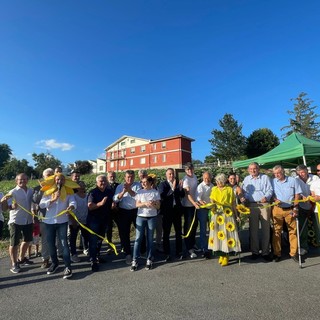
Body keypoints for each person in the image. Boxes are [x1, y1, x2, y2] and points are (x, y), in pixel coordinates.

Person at [39, 173, 78, 279]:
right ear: (54, 180)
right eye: (57, 179)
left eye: (61, 179)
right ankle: (55, 263)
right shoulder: (48, 191)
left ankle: (68, 266)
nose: (59, 181)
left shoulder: (69, 192)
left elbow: (73, 202)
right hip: (49, 222)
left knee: (64, 243)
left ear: (64, 181)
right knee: (51, 244)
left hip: (62, 222)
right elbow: (41, 204)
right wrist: (53, 199)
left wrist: (71, 206)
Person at [1, 173, 34, 274]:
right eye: (20, 180)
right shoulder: (13, 192)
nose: (22, 181)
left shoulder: (31, 191)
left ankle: (21, 258)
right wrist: (11, 206)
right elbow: (4, 208)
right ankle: (14, 263)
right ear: (16, 181)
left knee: (28, 240)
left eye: (24, 179)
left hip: (28, 220)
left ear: (27, 180)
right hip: (15, 221)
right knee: (14, 243)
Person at [208, 173, 241, 266]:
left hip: (227, 214)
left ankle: (226, 255)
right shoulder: (214, 189)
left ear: (223, 181)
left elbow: (233, 203)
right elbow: (211, 200)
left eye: (219, 181)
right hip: (217, 215)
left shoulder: (229, 190)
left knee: (227, 235)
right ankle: (220, 255)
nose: (218, 183)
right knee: (218, 235)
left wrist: (236, 215)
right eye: (217, 181)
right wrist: (212, 203)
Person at [242, 162, 273, 261]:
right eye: (251, 169)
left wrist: (266, 197)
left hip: (264, 204)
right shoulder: (246, 179)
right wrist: (245, 198)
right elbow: (245, 192)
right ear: (248, 170)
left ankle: (265, 252)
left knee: (265, 229)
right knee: (253, 229)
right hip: (252, 205)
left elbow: (270, 190)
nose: (253, 170)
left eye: (254, 168)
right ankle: (255, 251)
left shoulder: (265, 178)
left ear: (258, 169)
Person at [271, 165, 302, 263]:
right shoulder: (272, 181)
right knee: (276, 231)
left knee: (292, 231)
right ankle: (277, 253)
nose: (277, 175)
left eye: (278, 173)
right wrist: (275, 199)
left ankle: (294, 253)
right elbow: (271, 195)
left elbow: (297, 194)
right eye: (275, 173)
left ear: (283, 171)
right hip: (277, 209)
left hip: (290, 209)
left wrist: (296, 208)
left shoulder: (293, 180)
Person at [130, 175, 160, 271]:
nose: (143, 183)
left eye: (145, 182)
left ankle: (149, 259)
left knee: (150, 239)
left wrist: (154, 203)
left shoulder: (155, 192)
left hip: (152, 217)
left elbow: (158, 206)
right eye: (142, 182)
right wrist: (145, 204)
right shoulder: (139, 192)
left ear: (150, 183)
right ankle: (135, 259)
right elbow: (137, 204)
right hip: (141, 217)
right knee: (138, 238)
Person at [113, 170, 142, 265]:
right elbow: (115, 199)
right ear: (125, 178)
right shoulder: (120, 186)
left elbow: (139, 197)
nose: (130, 179)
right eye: (128, 177)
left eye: (132, 177)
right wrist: (123, 192)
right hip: (123, 212)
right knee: (124, 233)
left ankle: (142, 250)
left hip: (135, 211)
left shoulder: (138, 185)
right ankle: (128, 254)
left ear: (134, 177)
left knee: (140, 231)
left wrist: (129, 190)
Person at [87, 175, 113, 272]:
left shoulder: (109, 192)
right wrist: (100, 204)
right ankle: (93, 261)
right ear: (97, 182)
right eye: (101, 181)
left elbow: (113, 202)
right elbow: (90, 206)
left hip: (104, 220)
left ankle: (97, 256)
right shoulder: (92, 192)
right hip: (94, 220)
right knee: (93, 241)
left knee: (100, 240)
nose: (103, 183)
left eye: (104, 181)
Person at [158, 168, 185, 261]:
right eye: (169, 174)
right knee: (166, 233)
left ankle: (179, 251)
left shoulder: (177, 183)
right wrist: (173, 188)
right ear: (166, 175)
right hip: (167, 212)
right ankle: (167, 253)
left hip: (176, 211)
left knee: (178, 232)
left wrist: (181, 189)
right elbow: (163, 196)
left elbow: (182, 195)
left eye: (172, 174)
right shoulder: (162, 185)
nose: (171, 176)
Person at [32, 168, 54, 268]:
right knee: (45, 239)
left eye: (51, 174)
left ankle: (56, 257)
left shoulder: (58, 186)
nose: (49, 176)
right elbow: (36, 201)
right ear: (44, 177)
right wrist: (42, 189)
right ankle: (45, 259)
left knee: (57, 239)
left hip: (57, 218)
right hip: (44, 218)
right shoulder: (37, 188)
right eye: (47, 175)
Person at [296, 165, 319, 255]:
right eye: (299, 173)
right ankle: (304, 247)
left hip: (314, 206)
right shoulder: (296, 179)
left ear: (306, 171)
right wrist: (301, 196)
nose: (301, 174)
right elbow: (296, 191)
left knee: (317, 227)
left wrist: (312, 197)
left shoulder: (315, 178)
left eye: (303, 172)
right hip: (302, 206)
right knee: (303, 228)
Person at [181, 162, 200, 258]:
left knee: (195, 225)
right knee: (189, 226)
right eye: (188, 169)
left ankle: (193, 243)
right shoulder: (185, 180)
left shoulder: (195, 177)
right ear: (185, 171)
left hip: (194, 205)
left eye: (191, 169)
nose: (190, 171)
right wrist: (194, 203)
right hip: (188, 206)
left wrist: (197, 202)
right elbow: (187, 194)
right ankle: (189, 248)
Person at [69, 181, 89, 263]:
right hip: (75, 221)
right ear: (77, 187)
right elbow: (71, 209)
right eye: (80, 186)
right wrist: (73, 220)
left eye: (83, 186)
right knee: (73, 237)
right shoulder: (73, 196)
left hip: (85, 220)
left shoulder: (87, 196)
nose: (82, 187)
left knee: (85, 236)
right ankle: (73, 254)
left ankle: (86, 249)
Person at [196, 171, 213, 257]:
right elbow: (198, 196)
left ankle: (211, 246)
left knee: (212, 228)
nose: (207, 179)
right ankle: (204, 248)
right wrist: (200, 201)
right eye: (205, 178)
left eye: (208, 178)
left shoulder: (213, 186)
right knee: (203, 229)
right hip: (203, 209)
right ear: (203, 178)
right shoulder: (201, 186)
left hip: (211, 209)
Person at [106, 171, 120, 254]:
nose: (112, 177)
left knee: (121, 227)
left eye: (113, 176)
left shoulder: (118, 185)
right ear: (108, 177)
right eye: (111, 176)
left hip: (117, 210)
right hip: (107, 210)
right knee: (108, 229)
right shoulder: (105, 185)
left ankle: (123, 245)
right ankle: (109, 246)